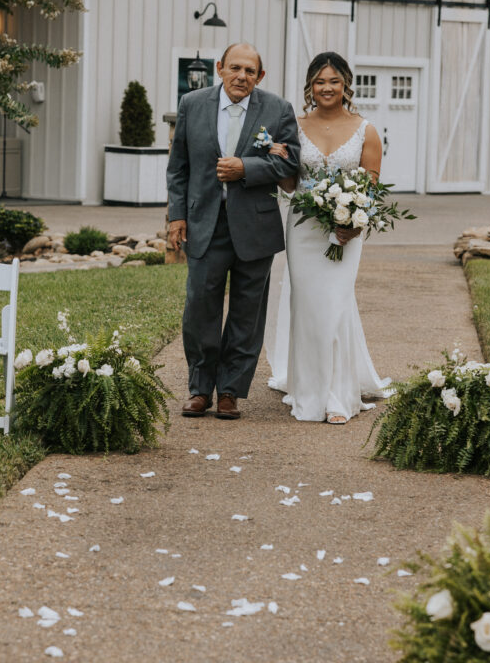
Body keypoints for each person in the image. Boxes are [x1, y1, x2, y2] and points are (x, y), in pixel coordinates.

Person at [167, 42, 300, 421]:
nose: (242, 76)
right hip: (204, 224)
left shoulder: (277, 109)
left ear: (260, 76)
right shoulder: (192, 105)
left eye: (250, 71)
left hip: (255, 225)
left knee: (247, 313)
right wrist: (177, 216)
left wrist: (248, 168)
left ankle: (229, 391)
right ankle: (199, 389)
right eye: (235, 68)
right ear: (220, 67)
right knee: (200, 308)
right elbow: (178, 167)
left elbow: (291, 163)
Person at [265, 51, 391, 424]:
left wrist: (354, 222)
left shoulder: (366, 130)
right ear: (310, 86)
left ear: (346, 85)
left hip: (346, 231)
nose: (326, 88)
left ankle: (337, 395)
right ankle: (308, 390)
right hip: (303, 228)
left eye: (334, 81)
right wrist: (278, 160)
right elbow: (290, 183)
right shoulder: (295, 125)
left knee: (335, 304)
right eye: (319, 81)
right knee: (307, 306)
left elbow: (370, 188)